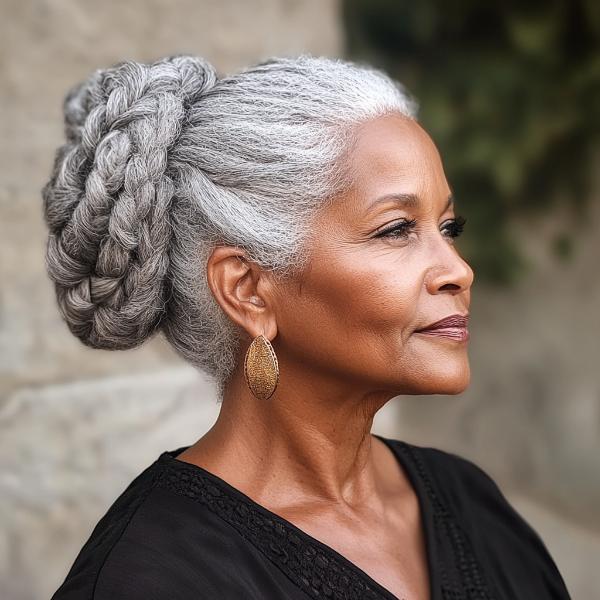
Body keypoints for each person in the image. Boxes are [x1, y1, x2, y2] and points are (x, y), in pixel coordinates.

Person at [43, 54, 570, 600]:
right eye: (395, 230)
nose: (459, 271)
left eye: (448, 226)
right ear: (247, 290)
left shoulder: (468, 500)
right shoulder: (149, 579)